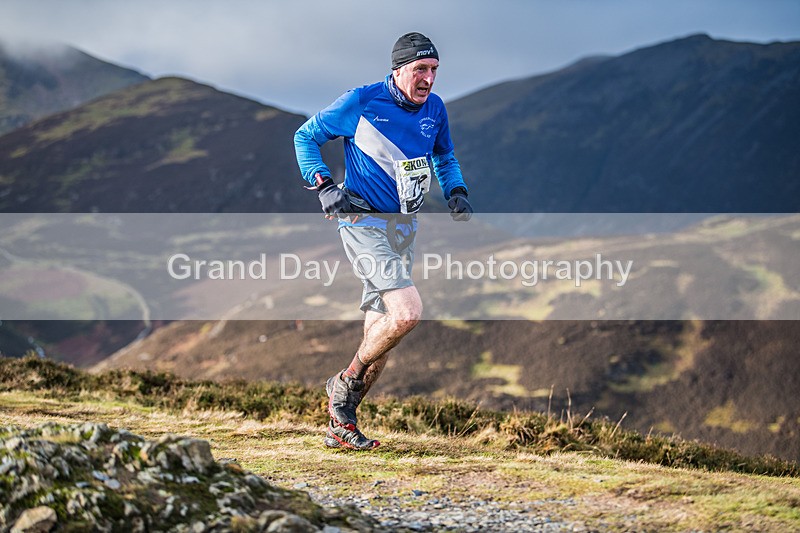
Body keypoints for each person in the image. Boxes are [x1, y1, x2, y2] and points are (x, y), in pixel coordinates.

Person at [294, 32, 473, 450]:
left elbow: (444, 155)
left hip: (403, 228)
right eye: (420, 70)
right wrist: (324, 185)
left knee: (383, 330)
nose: (428, 79)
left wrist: (456, 190)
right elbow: (305, 137)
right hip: (362, 222)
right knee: (408, 313)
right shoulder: (363, 101)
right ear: (398, 70)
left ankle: (342, 424)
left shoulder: (435, 109)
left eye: (434, 71)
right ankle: (343, 383)